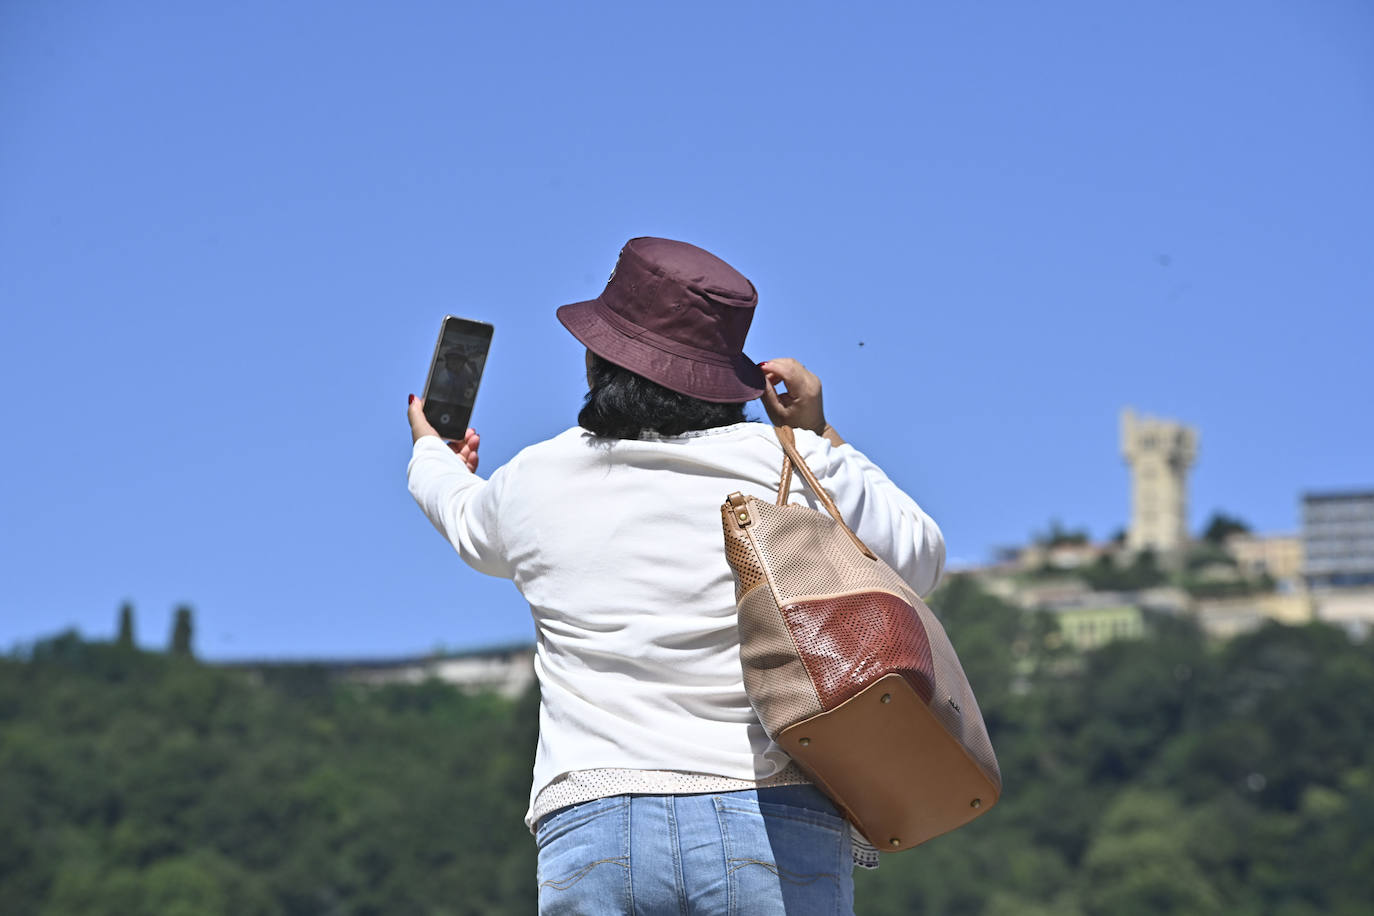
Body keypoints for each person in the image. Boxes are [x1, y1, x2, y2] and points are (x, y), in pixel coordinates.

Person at [405, 237, 945, 914]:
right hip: (773, 814)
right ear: (724, 371)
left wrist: (433, 451)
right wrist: (820, 431)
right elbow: (920, 556)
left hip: (597, 817)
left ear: (600, 358)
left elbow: (462, 516)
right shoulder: (787, 463)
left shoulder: (539, 479)